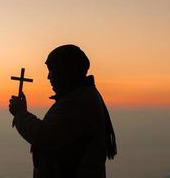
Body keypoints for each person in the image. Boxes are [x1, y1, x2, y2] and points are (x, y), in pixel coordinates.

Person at [8, 44, 117, 178]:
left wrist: (20, 114)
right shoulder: (81, 96)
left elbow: (46, 137)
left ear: (66, 71)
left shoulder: (79, 102)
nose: (48, 77)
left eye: (52, 70)